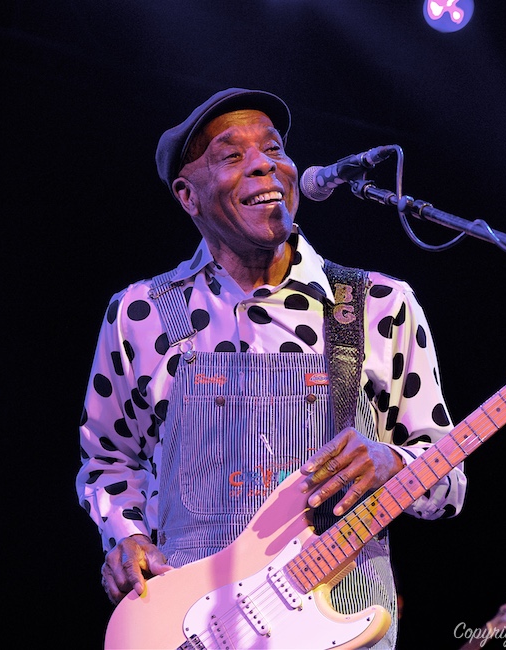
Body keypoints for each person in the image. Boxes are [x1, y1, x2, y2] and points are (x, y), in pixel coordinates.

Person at [76, 87, 467, 649]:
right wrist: (127, 538)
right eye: (231, 156)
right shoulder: (142, 313)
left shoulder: (379, 304)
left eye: (274, 149)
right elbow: (107, 458)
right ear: (187, 196)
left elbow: (447, 481)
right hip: (192, 631)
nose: (264, 164)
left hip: (343, 627)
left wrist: (390, 463)